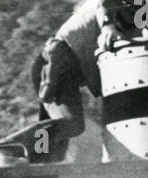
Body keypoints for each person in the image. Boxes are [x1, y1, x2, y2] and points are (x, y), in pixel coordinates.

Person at [28, 1, 107, 162]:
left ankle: (38, 165)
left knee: (55, 144)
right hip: (55, 66)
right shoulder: (106, 5)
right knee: (70, 124)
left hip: (59, 66)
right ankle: (8, 147)